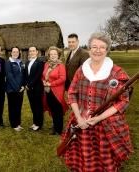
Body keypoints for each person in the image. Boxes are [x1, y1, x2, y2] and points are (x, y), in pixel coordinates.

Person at [61, 32, 133, 171]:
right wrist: (78, 117)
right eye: (94, 46)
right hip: (81, 122)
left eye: (102, 47)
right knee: (83, 159)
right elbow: (71, 93)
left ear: (107, 50)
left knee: (104, 162)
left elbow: (123, 101)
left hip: (106, 124)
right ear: (89, 48)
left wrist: (99, 118)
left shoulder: (117, 73)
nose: (97, 50)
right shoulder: (81, 70)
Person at [42, 46, 68, 135]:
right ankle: (55, 126)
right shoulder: (46, 64)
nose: (53, 56)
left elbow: (63, 78)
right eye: (51, 54)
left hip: (57, 91)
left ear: (58, 55)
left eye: (55, 54)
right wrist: (43, 81)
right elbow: (43, 75)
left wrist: (51, 84)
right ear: (49, 55)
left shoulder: (61, 66)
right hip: (48, 91)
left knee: (58, 110)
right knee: (52, 109)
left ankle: (59, 129)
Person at [25, 46, 44, 131]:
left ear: (37, 52)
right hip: (29, 89)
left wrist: (29, 85)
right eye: (30, 51)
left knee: (38, 107)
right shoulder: (27, 62)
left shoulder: (40, 62)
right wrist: (26, 84)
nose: (32, 52)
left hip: (37, 88)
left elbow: (38, 75)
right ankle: (35, 122)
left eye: (33, 51)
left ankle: (39, 124)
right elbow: (26, 75)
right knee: (33, 106)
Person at [5, 47, 25, 132]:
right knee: (12, 107)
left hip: (20, 89)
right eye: (14, 52)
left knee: (18, 107)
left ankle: (18, 123)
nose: (15, 53)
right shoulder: (8, 63)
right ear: (11, 53)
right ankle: (14, 124)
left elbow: (23, 75)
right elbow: (10, 77)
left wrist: (23, 86)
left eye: (17, 52)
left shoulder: (20, 62)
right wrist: (17, 88)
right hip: (12, 90)